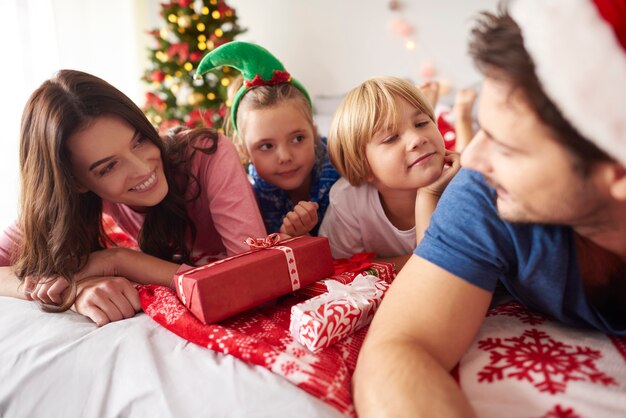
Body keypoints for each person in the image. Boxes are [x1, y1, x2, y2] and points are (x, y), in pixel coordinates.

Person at [354, 0, 626, 416]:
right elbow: (397, 352)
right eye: (481, 128)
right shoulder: (484, 192)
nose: (473, 157)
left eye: (507, 146)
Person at [0, 69, 266, 326]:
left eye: (138, 140)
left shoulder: (209, 154)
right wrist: (71, 292)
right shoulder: (73, 200)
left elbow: (253, 281)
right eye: (108, 167)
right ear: (76, 183)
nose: (142, 168)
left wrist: (118, 261)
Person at [195, 41, 340, 237]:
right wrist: (289, 237)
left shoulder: (344, 169)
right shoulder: (249, 196)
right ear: (244, 151)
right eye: (266, 146)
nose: (285, 156)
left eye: (297, 139)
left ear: (314, 132)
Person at [318, 76, 460, 269]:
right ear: (364, 165)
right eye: (391, 138)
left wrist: (429, 194)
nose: (417, 139)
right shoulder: (348, 200)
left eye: (421, 123)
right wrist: (414, 262)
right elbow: (340, 268)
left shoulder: (460, 187)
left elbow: (446, 270)